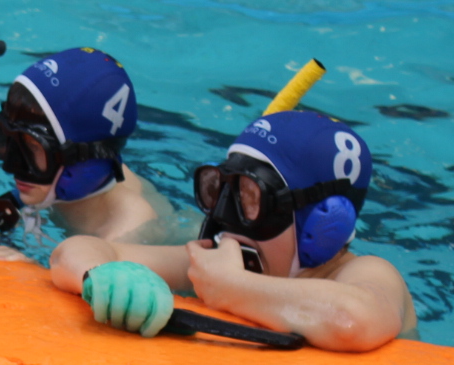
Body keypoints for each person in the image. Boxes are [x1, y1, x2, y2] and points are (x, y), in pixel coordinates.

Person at [48, 110, 417, 352]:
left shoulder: (368, 272)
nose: (225, 215)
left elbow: (352, 321)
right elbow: (74, 252)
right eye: (219, 190)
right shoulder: (213, 266)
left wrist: (232, 288)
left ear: (322, 225)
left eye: (250, 198)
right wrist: (104, 277)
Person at [0, 48, 196, 246]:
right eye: (7, 139)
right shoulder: (55, 180)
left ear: (82, 163)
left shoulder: (128, 228)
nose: (11, 165)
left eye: (33, 147)